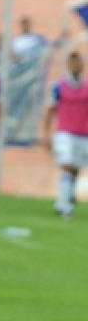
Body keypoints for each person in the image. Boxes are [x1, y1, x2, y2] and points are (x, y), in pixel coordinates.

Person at [42, 49, 88, 218]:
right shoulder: (58, 86)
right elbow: (49, 111)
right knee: (67, 166)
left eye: (79, 63)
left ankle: (64, 199)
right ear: (69, 66)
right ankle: (65, 207)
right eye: (73, 63)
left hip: (83, 133)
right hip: (65, 132)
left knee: (75, 168)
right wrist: (46, 135)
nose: (76, 66)